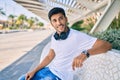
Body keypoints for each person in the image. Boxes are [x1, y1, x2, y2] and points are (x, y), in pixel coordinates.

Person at [18, 7, 112, 80]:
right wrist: (33, 71)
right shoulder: (55, 37)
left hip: (60, 77)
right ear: (51, 24)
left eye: (61, 19)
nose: (59, 23)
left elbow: (107, 45)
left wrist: (86, 53)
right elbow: (50, 56)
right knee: (22, 78)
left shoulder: (77, 36)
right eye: (54, 21)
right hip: (48, 70)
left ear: (66, 19)